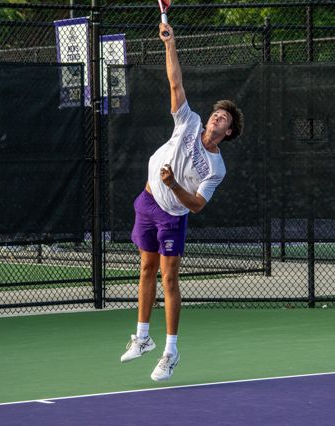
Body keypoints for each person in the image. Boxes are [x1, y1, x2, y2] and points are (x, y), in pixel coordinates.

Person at [120, 22, 244, 381]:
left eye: (223, 118)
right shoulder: (188, 121)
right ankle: (142, 337)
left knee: (169, 278)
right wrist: (169, 43)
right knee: (146, 269)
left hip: (172, 215)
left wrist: (173, 184)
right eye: (216, 112)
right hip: (146, 202)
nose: (217, 116)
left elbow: (197, 205)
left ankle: (171, 351)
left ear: (228, 132)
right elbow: (175, 82)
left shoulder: (217, 168)